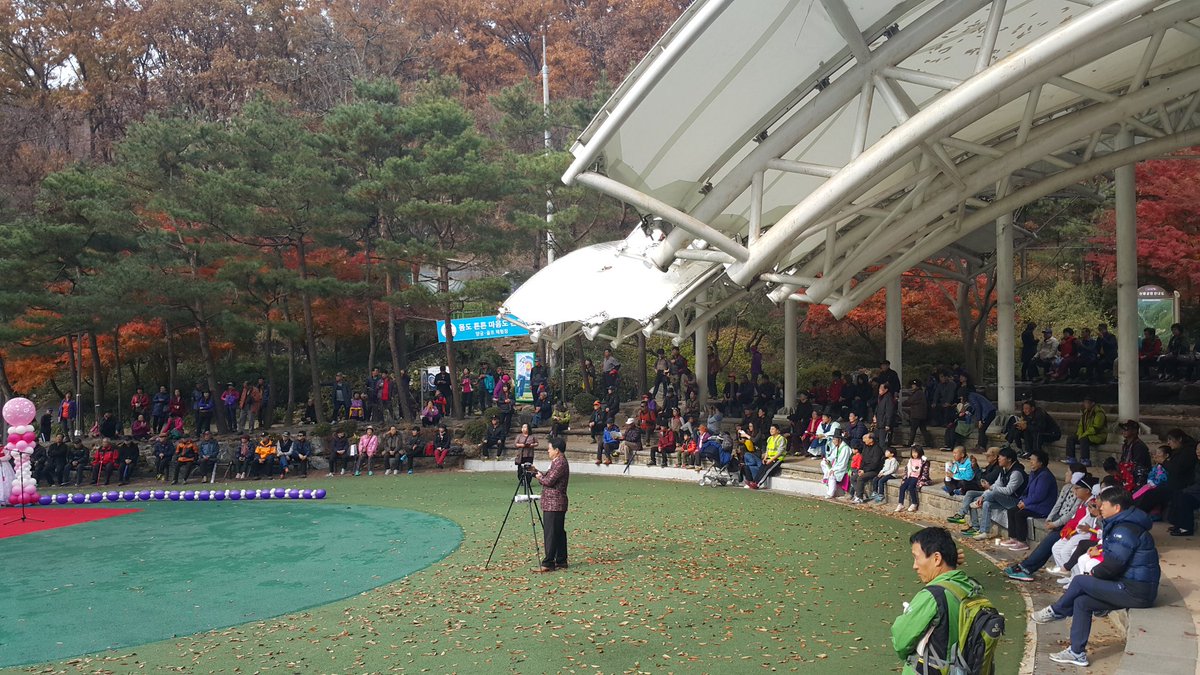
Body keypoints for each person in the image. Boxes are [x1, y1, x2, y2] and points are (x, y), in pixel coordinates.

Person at [1032, 488, 1161, 667]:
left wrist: (1094, 574)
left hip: (1135, 590)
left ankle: (1057, 611)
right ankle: (1077, 653)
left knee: (1079, 581)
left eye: (1104, 505)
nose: (1100, 508)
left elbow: (1113, 564)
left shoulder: (1125, 529)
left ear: (1116, 508)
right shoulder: (1122, 524)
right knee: (1082, 602)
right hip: (1129, 585)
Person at [891, 527, 990, 675]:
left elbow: (900, 642)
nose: (914, 566)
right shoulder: (971, 587)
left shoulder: (932, 596)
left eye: (916, 557)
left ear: (937, 558)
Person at [1003, 467, 1092, 582]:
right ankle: (1026, 567)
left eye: (1068, 472)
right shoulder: (1067, 488)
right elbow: (1058, 505)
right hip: (1062, 523)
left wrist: (1056, 524)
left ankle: (1026, 568)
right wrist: (1050, 519)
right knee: (1048, 542)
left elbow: (1072, 515)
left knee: (1050, 542)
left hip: (1069, 527)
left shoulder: (1084, 499)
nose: (1066, 474)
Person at [962, 447, 1025, 540]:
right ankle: (984, 532)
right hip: (1003, 500)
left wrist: (990, 488)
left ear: (1009, 459)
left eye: (1001, 457)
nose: (999, 458)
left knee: (993, 493)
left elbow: (1009, 491)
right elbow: (996, 485)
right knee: (987, 504)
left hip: (1016, 503)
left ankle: (979, 502)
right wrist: (983, 496)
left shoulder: (1016, 473)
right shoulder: (1004, 470)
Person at [1000, 449, 1057, 551]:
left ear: (1040, 462)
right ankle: (1013, 538)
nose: (1030, 462)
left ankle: (1022, 542)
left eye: (1033, 460)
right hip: (1032, 504)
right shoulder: (1033, 473)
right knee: (1012, 510)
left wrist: (1025, 503)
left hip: (1042, 507)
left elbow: (1039, 496)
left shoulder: (1045, 476)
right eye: (1030, 460)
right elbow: (1027, 491)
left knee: (1019, 514)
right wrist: (1022, 500)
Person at [533, 436, 570, 573]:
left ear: (557, 450)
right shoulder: (558, 462)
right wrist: (537, 473)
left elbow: (549, 481)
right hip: (556, 503)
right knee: (558, 532)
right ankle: (561, 560)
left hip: (554, 503)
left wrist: (539, 477)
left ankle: (548, 562)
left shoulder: (560, 463)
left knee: (551, 533)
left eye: (550, 449)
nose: (548, 451)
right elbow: (549, 477)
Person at [1064, 396, 1107, 467]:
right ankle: (1071, 458)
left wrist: (1084, 434)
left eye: (1087, 403)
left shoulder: (1099, 413)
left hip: (1098, 436)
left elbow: (1096, 427)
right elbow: (1081, 425)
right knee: (1071, 438)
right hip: (1087, 434)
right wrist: (1080, 434)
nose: (1085, 405)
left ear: (1093, 403)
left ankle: (1085, 460)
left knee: (1084, 439)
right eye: (1085, 403)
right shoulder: (1085, 412)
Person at [746, 424, 787, 489]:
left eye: (773, 429)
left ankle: (758, 484)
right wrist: (765, 458)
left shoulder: (781, 439)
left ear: (778, 431)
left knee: (767, 469)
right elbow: (768, 450)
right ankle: (754, 482)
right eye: (770, 429)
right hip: (768, 458)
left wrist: (770, 460)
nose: (771, 430)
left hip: (777, 459)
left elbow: (780, 452)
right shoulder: (769, 438)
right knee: (761, 468)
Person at [1115, 419, 1152, 492]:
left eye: (1126, 429)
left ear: (1134, 431)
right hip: (1128, 476)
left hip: (1137, 478)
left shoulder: (1139, 446)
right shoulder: (1126, 444)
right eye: (1123, 429)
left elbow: (1138, 465)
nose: (1124, 431)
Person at [896, 446, 930, 513]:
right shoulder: (910, 460)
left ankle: (914, 503)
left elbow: (925, 472)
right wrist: (904, 478)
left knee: (911, 487)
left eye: (916, 453)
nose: (914, 454)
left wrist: (922, 481)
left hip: (918, 478)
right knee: (902, 487)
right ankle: (900, 504)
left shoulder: (924, 461)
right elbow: (907, 470)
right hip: (910, 476)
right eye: (913, 452)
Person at [852, 432, 884, 503]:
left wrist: (864, 470)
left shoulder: (877, 449)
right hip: (865, 469)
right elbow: (863, 460)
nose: (864, 440)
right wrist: (860, 469)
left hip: (874, 470)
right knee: (853, 478)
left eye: (866, 438)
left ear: (871, 439)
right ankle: (859, 493)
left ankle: (859, 498)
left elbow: (875, 464)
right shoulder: (865, 447)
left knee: (860, 478)